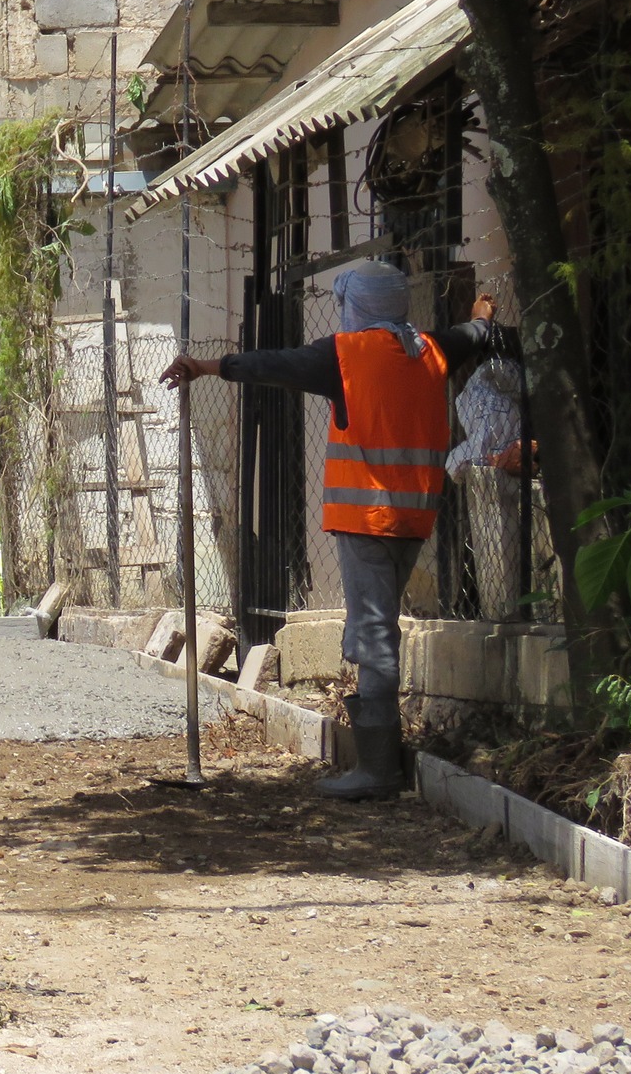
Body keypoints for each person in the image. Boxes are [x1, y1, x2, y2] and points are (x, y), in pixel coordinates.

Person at [163, 262, 494, 800]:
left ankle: (379, 769)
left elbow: (272, 364)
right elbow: (469, 336)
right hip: (414, 518)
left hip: (365, 518)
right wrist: (483, 321)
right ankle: (375, 759)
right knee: (374, 625)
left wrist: (205, 366)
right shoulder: (430, 349)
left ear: (357, 306)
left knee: (374, 631)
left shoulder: (345, 355)